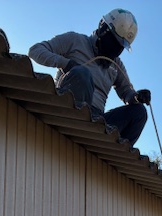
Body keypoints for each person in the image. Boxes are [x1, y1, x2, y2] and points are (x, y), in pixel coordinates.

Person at [29, 9, 151, 146]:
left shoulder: (116, 64)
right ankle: (75, 129)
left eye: (120, 47)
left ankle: (111, 152)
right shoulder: (75, 40)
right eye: (113, 42)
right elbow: (35, 51)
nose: (115, 49)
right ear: (103, 28)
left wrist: (137, 97)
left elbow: (126, 92)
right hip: (69, 106)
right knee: (82, 73)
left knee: (139, 112)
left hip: (96, 122)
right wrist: (66, 64)